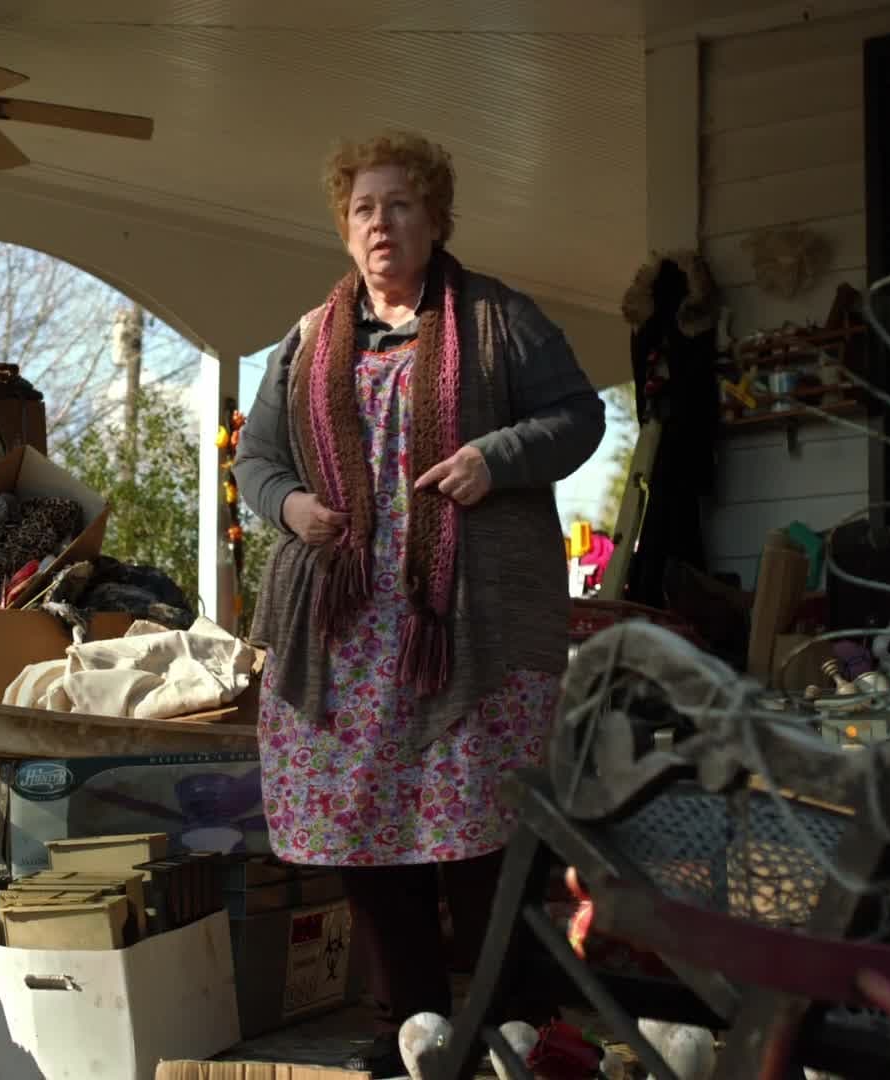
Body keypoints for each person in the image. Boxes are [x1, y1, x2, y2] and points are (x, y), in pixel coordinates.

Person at [233, 131, 604, 1076]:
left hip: (470, 627)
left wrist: (495, 458)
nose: (380, 224)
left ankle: (514, 1022)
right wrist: (292, 506)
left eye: (399, 205)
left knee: (480, 827)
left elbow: (579, 416)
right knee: (362, 829)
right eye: (363, 208)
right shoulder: (307, 342)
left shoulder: (499, 320)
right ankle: (411, 1024)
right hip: (346, 634)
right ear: (344, 227)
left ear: (435, 219)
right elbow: (257, 462)